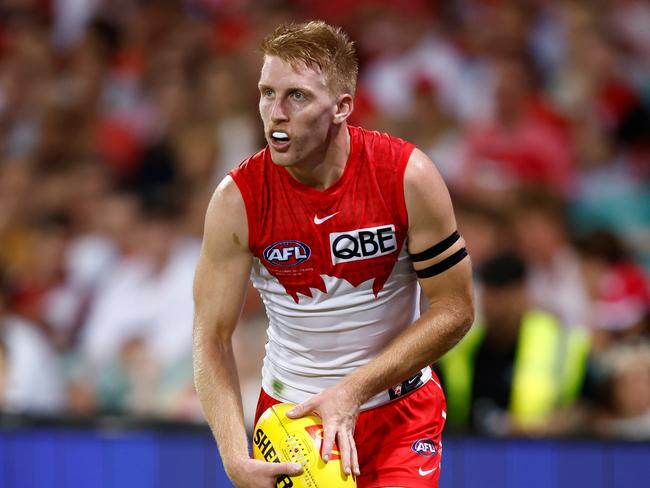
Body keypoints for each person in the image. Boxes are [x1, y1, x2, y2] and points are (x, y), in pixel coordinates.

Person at [192, 21, 474, 488]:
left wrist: (354, 390)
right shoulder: (235, 201)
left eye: (296, 96)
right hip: (293, 422)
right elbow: (211, 337)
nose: (275, 113)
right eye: (267, 93)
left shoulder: (408, 176)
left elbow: (457, 308)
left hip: (400, 418)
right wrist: (232, 454)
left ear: (342, 106)